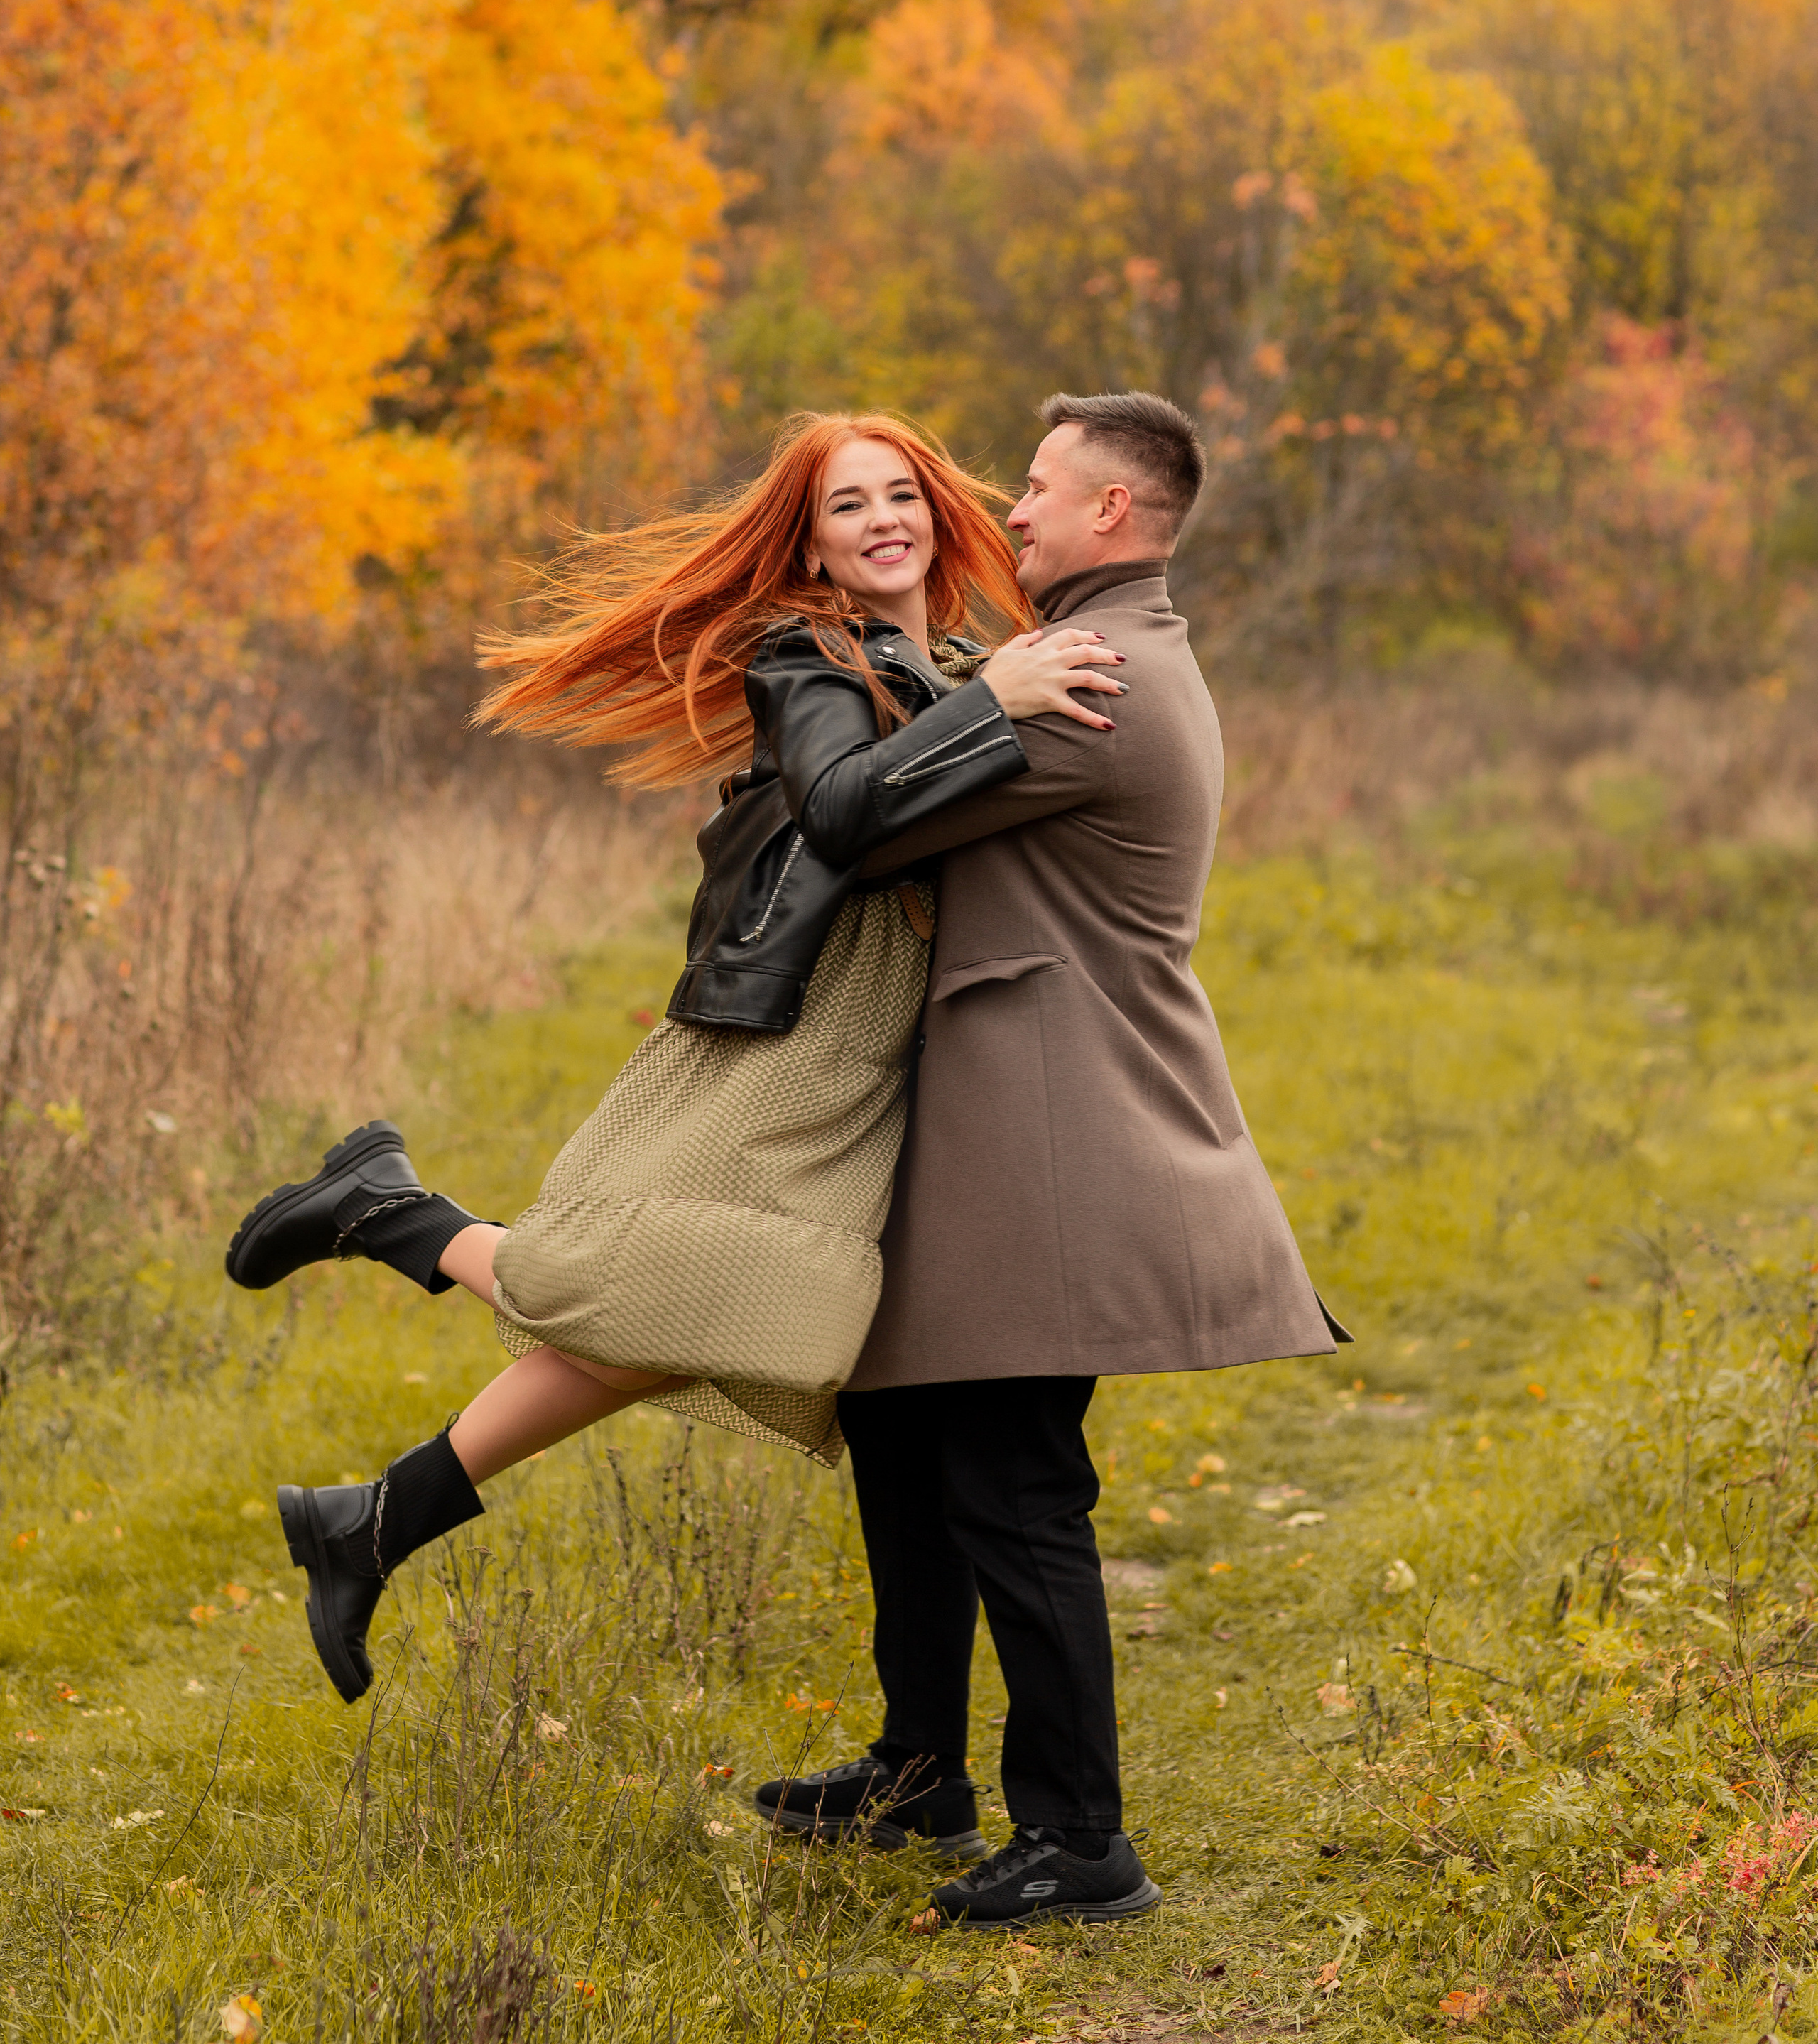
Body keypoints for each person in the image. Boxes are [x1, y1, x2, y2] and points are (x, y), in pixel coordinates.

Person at [222, 412, 1125, 1734]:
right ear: (809, 542)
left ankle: (374, 1504)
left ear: (937, 510)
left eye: (900, 496)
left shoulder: (966, 662)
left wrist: (1004, 691)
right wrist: (999, 706)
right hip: (789, 1025)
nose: (883, 522)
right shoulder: (804, 656)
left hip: (877, 1053)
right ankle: (391, 1225)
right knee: (688, 1285)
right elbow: (844, 807)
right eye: (846, 507)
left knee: (742, 1308)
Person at [755, 391, 1348, 1928]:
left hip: (1062, 1138)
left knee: (1013, 1485)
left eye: (1032, 491)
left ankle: (1082, 1840)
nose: (1002, 513)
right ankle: (918, 1772)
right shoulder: (1087, 657)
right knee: (903, 1444)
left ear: (1107, 518)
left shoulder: (1093, 678)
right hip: (1006, 1122)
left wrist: (955, 699)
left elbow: (865, 833)